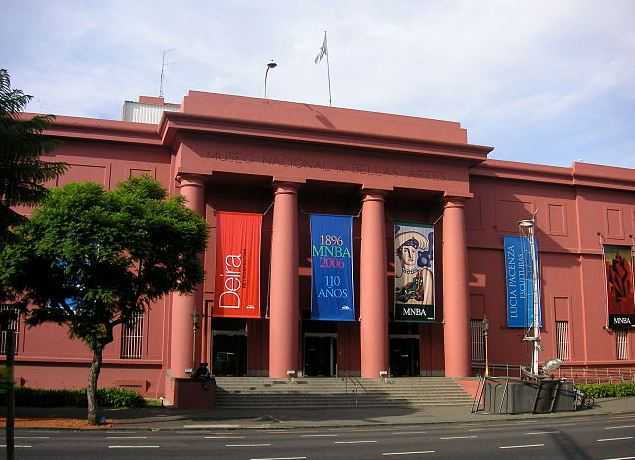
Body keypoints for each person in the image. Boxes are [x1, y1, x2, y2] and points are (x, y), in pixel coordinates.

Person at [394, 230, 433, 305]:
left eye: (413, 251)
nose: (410, 255)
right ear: (400, 254)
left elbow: (428, 303)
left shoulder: (425, 274)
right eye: (406, 250)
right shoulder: (396, 277)